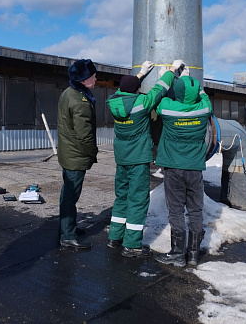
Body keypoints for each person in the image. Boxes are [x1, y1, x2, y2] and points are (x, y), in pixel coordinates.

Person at [106, 59, 185, 258]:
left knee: (121, 197)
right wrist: (173, 70)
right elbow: (159, 90)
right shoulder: (141, 104)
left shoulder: (114, 101)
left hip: (121, 158)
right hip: (138, 158)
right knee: (138, 199)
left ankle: (115, 237)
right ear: (136, 91)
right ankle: (131, 245)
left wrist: (140, 74)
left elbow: (126, 89)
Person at [154, 69, 212, 267]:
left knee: (176, 211)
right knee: (195, 210)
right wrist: (192, 81)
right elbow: (204, 96)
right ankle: (194, 254)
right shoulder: (204, 110)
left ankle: (178, 253)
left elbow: (159, 94)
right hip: (195, 168)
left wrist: (168, 74)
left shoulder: (168, 109)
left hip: (173, 167)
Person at [57, 59, 98, 249]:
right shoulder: (80, 101)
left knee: (67, 192)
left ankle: (67, 227)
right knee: (71, 195)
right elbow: (85, 135)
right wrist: (92, 153)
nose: (96, 79)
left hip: (68, 152)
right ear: (84, 80)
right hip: (76, 155)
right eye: (93, 76)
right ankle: (67, 237)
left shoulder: (69, 93)